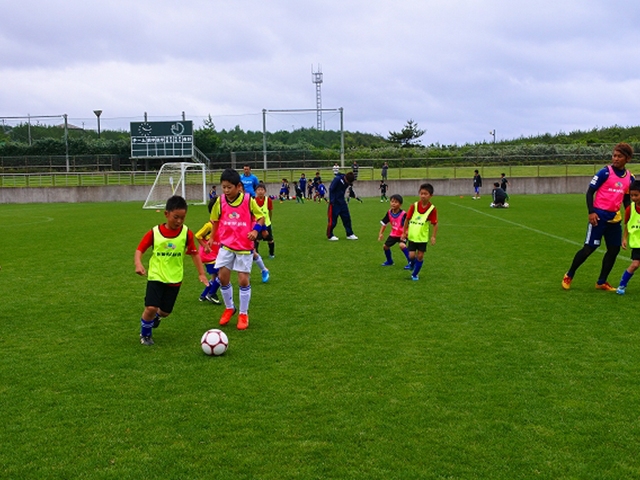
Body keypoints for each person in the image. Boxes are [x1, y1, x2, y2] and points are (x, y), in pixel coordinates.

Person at [134, 195, 208, 346]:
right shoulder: (154, 232)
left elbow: (194, 253)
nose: (179, 221)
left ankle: (156, 318)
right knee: (151, 307)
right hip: (156, 276)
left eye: (182, 217)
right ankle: (145, 335)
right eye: (176, 217)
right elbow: (140, 249)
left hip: (174, 278)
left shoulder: (186, 233)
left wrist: (201, 273)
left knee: (165, 312)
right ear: (166, 214)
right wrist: (138, 264)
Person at [562, 142, 635, 291]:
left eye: (619, 156)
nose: (615, 159)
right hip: (599, 216)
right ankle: (569, 274)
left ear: (627, 159)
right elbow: (590, 192)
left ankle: (601, 281)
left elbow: (627, 199)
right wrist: (591, 212)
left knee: (614, 250)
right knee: (589, 248)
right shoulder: (605, 172)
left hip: (615, 219)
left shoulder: (630, 178)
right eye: (614, 155)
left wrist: (630, 211)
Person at [209, 168, 265, 330]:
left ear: (239, 186)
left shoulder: (248, 200)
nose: (226, 190)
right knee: (223, 277)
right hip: (226, 246)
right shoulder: (220, 201)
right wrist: (213, 237)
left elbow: (260, 217)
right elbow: (215, 220)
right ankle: (229, 308)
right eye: (223, 187)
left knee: (243, 279)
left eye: (229, 187)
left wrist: (255, 230)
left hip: (243, 247)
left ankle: (243, 313)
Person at [401, 183, 438, 281]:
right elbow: (407, 219)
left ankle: (415, 274)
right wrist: (404, 232)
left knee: (420, 256)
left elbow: (435, 223)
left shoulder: (432, 209)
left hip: (422, 237)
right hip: (413, 236)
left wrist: (433, 236)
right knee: (411, 255)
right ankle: (412, 264)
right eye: (421, 193)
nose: (423, 196)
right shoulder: (414, 206)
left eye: (425, 194)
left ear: (431, 195)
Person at [194, 201, 222, 304]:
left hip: (215, 255)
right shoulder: (209, 225)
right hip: (208, 256)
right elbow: (198, 235)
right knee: (221, 275)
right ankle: (211, 294)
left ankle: (204, 295)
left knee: (215, 277)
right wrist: (205, 246)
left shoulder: (221, 224)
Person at [616, 181, 640, 295]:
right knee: (635, 265)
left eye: (636, 195)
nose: (633, 198)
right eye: (631, 195)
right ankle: (622, 285)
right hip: (637, 243)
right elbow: (627, 225)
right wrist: (624, 238)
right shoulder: (630, 209)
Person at [378, 194, 411, 267]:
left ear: (400, 204)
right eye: (392, 201)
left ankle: (411, 262)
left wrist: (406, 233)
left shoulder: (404, 214)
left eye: (396, 202)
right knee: (385, 247)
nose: (393, 203)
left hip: (402, 234)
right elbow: (384, 223)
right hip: (393, 234)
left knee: (402, 245)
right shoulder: (389, 212)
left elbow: (409, 225)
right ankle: (390, 261)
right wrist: (381, 233)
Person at [327, 171, 358, 241]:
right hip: (334, 203)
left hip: (342, 202)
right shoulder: (337, 179)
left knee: (347, 218)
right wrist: (332, 200)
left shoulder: (348, 182)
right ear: (346, 179)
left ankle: (349, 234)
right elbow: (331, 189)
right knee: (333, 221)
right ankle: (330, 235)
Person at [254, 182, 276, 260]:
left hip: (267, 224)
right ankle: (256, 255)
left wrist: (269, 220)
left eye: (262, 190)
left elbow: (270, 211)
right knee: (256, 240)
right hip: (257, 224)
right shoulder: (253, 201)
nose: (260, 191)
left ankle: (271, 253)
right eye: (258, 190)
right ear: (256, 191)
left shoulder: (268, 200)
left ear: (265, 191)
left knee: (270, 239)